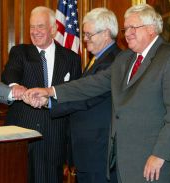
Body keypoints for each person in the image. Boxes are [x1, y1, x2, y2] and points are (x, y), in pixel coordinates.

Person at [25, 4, 170, 183]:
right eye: (125, 28)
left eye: (133, 28)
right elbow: (91, 84)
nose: (127, 33)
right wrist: (50, 91)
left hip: (156, 161)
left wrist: (160, 155)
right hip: (125, 161)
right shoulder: (125, 59)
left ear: (151, 29)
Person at [1, 6, 81, 183]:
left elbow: (75, 97)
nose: (35, 32)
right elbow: (10, 73)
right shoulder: (20, 52)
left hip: (55, 138)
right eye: (32, 27)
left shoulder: (72, 59)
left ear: (53, 29)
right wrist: (17, 87)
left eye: (40, 26)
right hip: (22, 136)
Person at [50, 8, 120, 183]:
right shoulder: (97, 59)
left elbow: (87, 97)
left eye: (89, 35)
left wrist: (49, 101)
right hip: (88, 150)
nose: (85, 39)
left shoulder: (114, 61)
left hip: (99, 152)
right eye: (85, 34)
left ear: (106, 34)